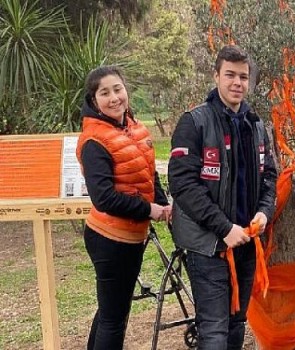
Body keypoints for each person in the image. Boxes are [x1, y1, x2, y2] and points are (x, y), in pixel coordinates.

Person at [168, 45, 277, 350]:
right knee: (214, 330)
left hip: (246, 242)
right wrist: (224, 228)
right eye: (230, 74)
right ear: (216, 75)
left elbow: (270, 176)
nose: (237, 83)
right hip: (209, 244)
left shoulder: (256, 125)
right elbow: (182, 183)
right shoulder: (194, 122)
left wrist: (265, 213)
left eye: (243, 76)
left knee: (236, 323)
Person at [76, 65, 171, 350]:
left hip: (129, 237)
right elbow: (103, 198)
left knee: (110, 312)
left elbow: (147, 173)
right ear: (94, 101)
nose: (114, 97)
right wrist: (149, 210)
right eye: (104, 93)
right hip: (109, 239)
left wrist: (164, 204)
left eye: (118, 89)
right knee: (114, 319)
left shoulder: (134, 127)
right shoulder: (94, 140)